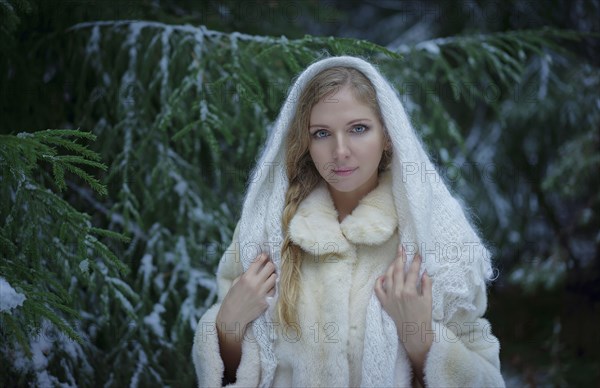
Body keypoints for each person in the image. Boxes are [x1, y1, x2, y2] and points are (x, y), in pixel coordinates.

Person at [192, 56, 505, 387]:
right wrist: (227, 327)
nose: (340, 151)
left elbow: (486, 377)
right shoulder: (266, 233)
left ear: (387, 134)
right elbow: (229, 373)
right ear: (304, 141)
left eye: (358, 129)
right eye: (322, 133)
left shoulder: (437, 240)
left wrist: (422, 341)